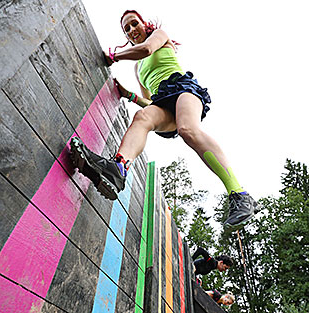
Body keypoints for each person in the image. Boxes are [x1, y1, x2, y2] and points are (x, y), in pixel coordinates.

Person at [70, 9, 260, 232]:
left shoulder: (158, 36)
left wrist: (113, 56)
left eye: (134, 24)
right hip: (162, 102)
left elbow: (147, 49)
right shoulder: (137, 67)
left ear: (145, 24)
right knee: (143, 117)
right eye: (127, 29)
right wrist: (129, 95)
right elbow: (150, 102)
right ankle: (118, 168)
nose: (132, 30)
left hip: (183, 90)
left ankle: (239, 194)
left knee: (188, 129)